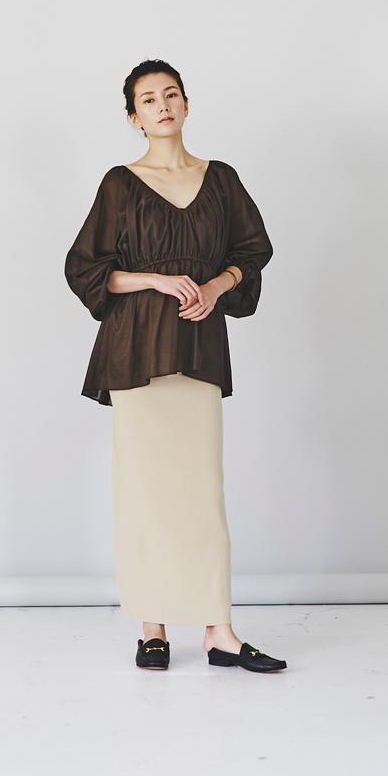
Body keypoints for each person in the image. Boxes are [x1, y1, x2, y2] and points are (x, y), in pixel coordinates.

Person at [65, 58, 287, 674]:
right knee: (144, 491)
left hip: (199, 345)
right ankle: (153, 627)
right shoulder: (120, 183)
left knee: (202, 492)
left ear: (187, 104)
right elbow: (85, 268)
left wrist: (216, 285)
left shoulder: (221, 180)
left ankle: (219, 631)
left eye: (171, 94)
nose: (162, 106)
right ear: (133, 117)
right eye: (148, 99)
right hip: (135, 351)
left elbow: (254, 249)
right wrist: (155, 279)